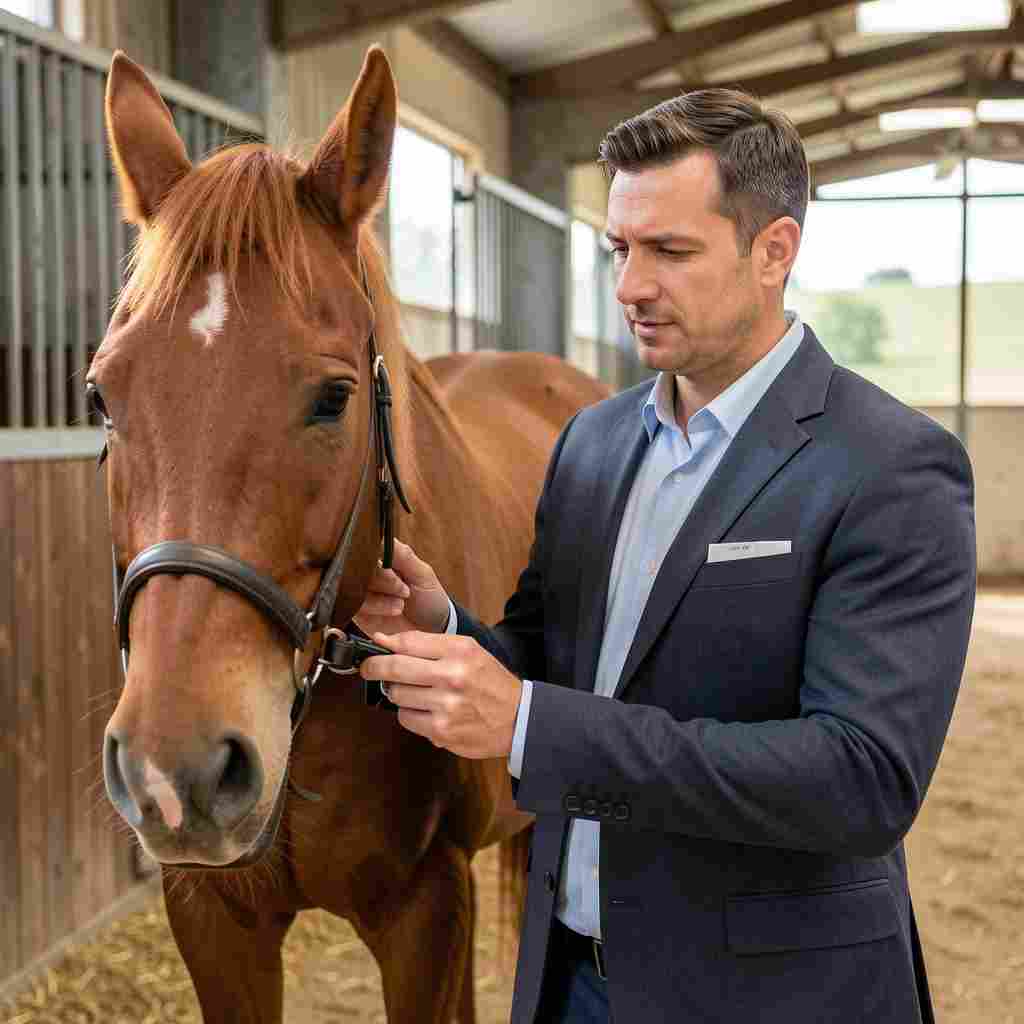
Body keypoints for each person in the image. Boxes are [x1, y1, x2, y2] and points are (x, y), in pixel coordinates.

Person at [354, 87, 976, 1024]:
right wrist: (442, 626)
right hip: (571, 979)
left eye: (670, 251)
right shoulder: (595, 443)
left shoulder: (891, 467)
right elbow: (551, 665)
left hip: (768, 997)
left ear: (775, 252)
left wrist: (531, 727)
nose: (630, 287)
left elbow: (860, 781)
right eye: (620, 248)